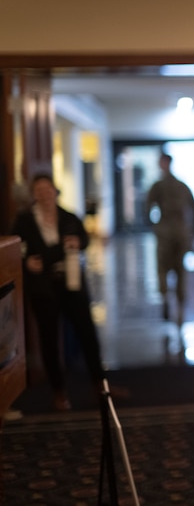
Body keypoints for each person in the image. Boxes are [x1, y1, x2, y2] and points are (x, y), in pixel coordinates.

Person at [10, 174, 109, 411]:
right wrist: (26, 264)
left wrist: (77, 242)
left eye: (48, 189)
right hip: (44, 287)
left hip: (72, 282)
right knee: (49, 338)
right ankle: (58, 392)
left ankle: (100, 386)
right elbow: (15, 250)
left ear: (55, 191)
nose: (44, 194)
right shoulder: (24, 221)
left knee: (87, 332)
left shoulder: (69, 217)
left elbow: (84, 239)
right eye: (39, 190)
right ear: (34, 194)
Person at [145, 152, 194, 326]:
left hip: (170, 232)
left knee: (169, 269)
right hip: (176, 231)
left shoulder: (161, 186)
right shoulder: (174, 185)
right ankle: (172, 303)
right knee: (175, 271)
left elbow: (147, 208)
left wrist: (154, 226)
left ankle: (174, 304)